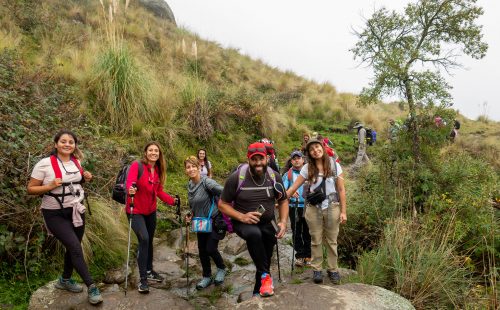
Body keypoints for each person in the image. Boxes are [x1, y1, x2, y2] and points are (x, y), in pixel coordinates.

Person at [27, 130, 103, 305]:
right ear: (56, 144)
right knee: (75, 246)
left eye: (71, 142)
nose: (67, 144)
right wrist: (50, 185)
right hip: (54, 213)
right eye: (63, 141)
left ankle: (65, 280)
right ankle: (91, 286)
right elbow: (30, 189)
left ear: (74, 145)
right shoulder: (44, 164)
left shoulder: (76, 162)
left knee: (72, 247)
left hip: (76, 210)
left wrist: (86, 178)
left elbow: (74, 183)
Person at [218, 142, 289, 297]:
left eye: (261, 159)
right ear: (248, 159)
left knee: (265, 255)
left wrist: (283, 221)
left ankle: (259, 289)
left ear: (268, 158)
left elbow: (283, 200)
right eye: (254, 159)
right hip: (243, 222)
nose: (258, 163)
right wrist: (241, 216)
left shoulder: (274, 177)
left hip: (267, 223)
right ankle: (265, 277)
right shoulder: (237, 178)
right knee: (254, 235)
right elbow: (222, 204)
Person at [286, 139, 347, 285]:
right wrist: (281, 199)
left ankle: (333, 269)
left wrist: (343, 211)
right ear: (309, 153)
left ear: (323, 148)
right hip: (313, 208)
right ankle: (317, 269)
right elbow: (293, 187)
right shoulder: (307, 168)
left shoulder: (334, 165)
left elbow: (341, 189)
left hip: (332, 206)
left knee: (332, 240)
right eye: (312, 149)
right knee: (315, 239)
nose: (315, 150)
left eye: (317, 147)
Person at [127, 142, 178, 293]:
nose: (153, 153)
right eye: (150, 150)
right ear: (145, 152)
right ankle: (143, 280)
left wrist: (172, 201)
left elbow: (159, 192)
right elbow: (130, 182)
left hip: (151, 212)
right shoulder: (137, 166)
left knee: (149, 241)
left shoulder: (157, 170)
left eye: (156, 151)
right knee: (144, 239)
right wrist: (131, 189)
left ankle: (149, 270)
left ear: (159, 154)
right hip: (135, 210)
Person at [184, 156, 227, 290]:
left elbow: (224, 191)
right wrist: (191, 214)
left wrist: (224, 207)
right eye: (188, 167)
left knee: (210, 248)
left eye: (193, 166)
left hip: (214, 221)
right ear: (185, 170)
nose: (191, 169)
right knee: (202, 251)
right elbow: (194, 204)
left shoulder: (207, 182)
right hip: (200, 222)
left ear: (199, 167)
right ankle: (207, 276)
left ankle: (221, 268)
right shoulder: (190, 185)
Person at [282, 150, 311, 267]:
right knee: (296, 231)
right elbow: (283, 191)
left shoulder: (310, 172)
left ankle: (309, 256)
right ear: (291, 161)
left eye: (298, 158)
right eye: (294, 159)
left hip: (308, 206)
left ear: (303, 160)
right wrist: (290, 192)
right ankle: (299, 256)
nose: (296, 160)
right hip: (294, 206)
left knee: (309, 232)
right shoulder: (287, 175)